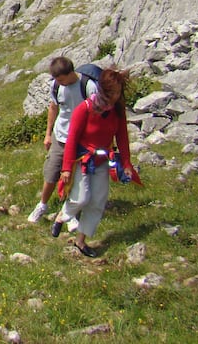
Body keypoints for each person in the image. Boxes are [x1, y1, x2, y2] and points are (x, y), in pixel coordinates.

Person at [50, 67, 135, 258]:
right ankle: (61, 216)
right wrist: (66, 168)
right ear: (103, 90)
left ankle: (81, 241)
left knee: (97, 201)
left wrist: (127, 163)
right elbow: (72, 139)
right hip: (83, 159)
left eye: (119, 92)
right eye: (112, 92)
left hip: (103, 160)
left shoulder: (117, 111)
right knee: (81, 198)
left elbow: (122, 137)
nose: (116, 96)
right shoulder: (85, 108)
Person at [28, 57, 98, 224]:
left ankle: (69, 212)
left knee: (75, 177)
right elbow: (53, 108)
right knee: (51, 172)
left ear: (71, 73)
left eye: (61, 79)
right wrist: (47, 134)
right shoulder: (56, 85)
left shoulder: (88, 86)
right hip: (60, 136)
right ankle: (42, 205)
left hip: (81, 140)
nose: (59, 82)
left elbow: (96, 114)